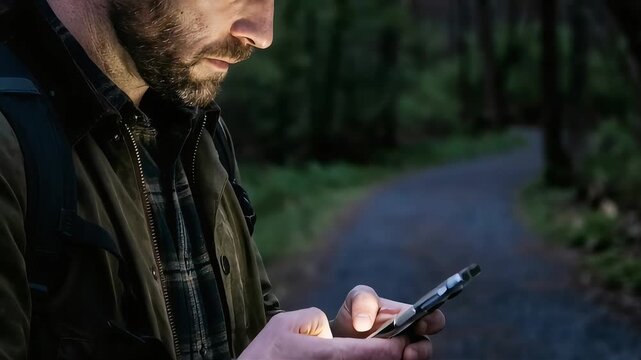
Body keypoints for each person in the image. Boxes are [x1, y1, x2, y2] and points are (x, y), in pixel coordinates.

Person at [0, 0, 445, 359]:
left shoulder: (195, 127)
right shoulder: (11, 142)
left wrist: (330, 344)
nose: (263, 33)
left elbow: (244, 338)